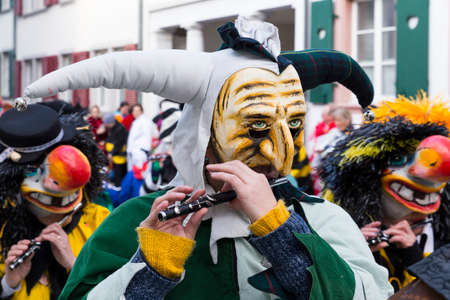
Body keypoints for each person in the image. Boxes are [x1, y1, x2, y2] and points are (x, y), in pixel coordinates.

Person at [22, 17, 392, 299]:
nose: (282, 152)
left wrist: (282, 234)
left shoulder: (322, 219)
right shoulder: (135, 222)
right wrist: (150, 270)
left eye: (294, 124)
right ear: (202, 134)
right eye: (257, 125)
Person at [320, 93, 450, 292]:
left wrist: (415, 258)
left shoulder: (444, 232)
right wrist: (353, 254)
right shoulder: (342, 230)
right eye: (398, 159)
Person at [0, 103, 110, 299]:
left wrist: (75, 265)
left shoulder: (100, 223)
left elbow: (121, 292)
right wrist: (9, 283)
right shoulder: (2, 229)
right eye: (33, 167)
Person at [103, 113, 128, 187]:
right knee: (116, 173)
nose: (106, 126)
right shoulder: (113, 127)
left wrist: (111, 153)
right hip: (115, 156)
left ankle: (118, 188)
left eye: (107, 124)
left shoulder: (120, 129)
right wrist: (105, 142)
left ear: (111, 122)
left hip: (119, 156)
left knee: (119, 174)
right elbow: (111, 138)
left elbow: (119, 143)